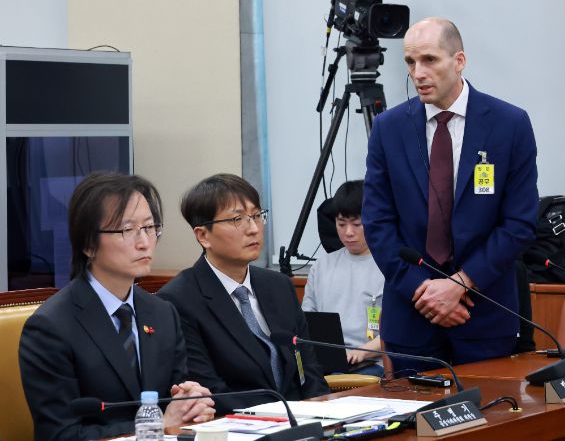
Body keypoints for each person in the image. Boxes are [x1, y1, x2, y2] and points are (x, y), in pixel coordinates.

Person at [362, 17, 539, 372]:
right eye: (410, 62)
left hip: (483, 313)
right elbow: (378, 223)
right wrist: (423, 291)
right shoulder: (388, 128)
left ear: (459, 61)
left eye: (429, 60)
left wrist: (460, 284)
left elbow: (518, 223)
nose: (418, 73)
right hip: (412, 316)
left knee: (490, 407)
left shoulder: (509, 124)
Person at [19, 172, 215, 441]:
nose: (144, 242)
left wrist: (190, 404)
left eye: (149, 227)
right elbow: (60, 434)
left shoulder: (163, 313)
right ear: (88, 244)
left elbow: (173, 403)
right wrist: (156, 425)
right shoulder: (50, 328)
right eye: (127, 230)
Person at [158, 174, 329, 416]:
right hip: (239, 426)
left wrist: (324, 417)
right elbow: (210, 392)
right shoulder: (178, 300)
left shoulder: (279, 286)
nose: (253, 229)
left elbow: (309, 371)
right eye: (237, 219)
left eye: (257, 216)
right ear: (203, 236)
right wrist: (281, 417)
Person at [302, 180, 385, 376]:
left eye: (357, 224)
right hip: (326, 361)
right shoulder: (322, 266)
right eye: (341, 224)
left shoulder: (388, 266)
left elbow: (397, 331)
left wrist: (362, 352)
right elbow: (306, 320)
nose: (348, 232)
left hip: (372, 363)